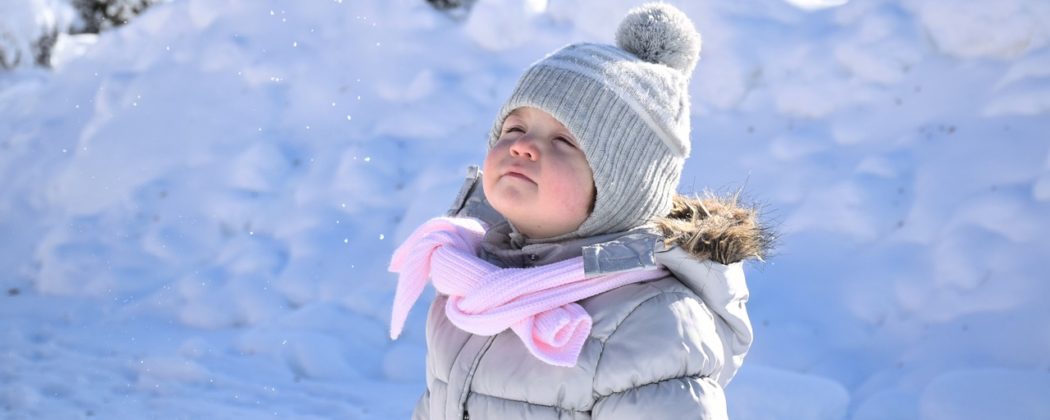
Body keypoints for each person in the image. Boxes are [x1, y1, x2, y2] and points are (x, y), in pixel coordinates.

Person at [388, 3, 771, 419]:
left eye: (564, 141)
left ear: (622, 187)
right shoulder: (473, 283)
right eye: (515, 128)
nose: (521, 145)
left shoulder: (652, 322)